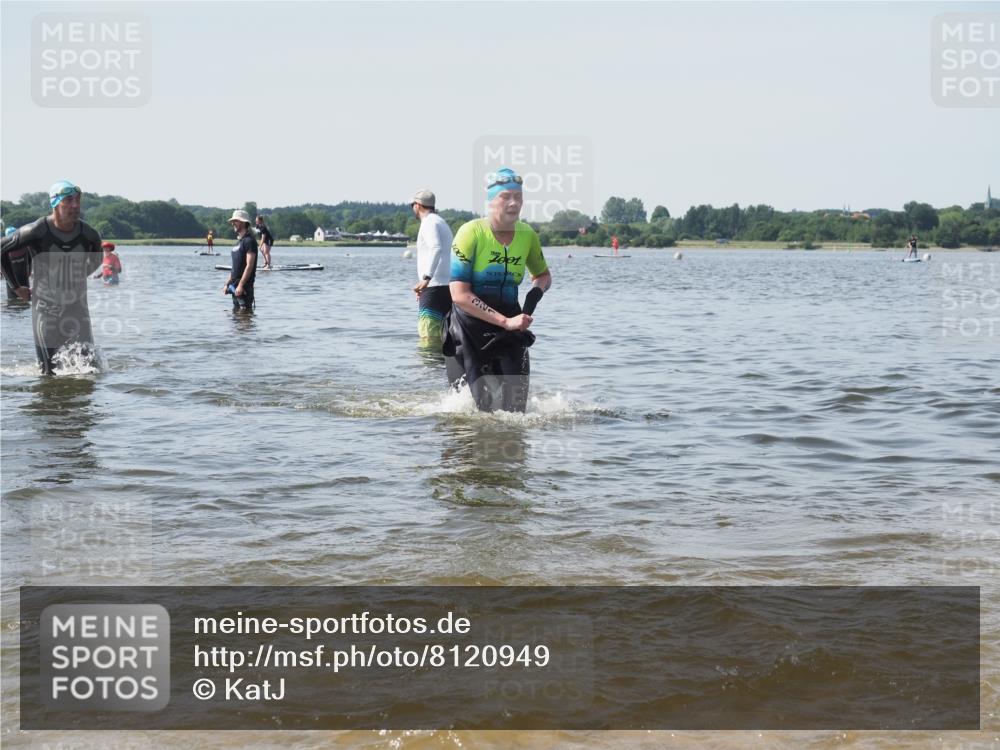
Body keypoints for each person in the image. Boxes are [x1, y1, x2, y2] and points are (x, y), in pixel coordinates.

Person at [444, 167, 552, 412]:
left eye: (519, 198)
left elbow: (543, 276)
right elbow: (459, 294)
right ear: (491, 201)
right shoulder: (470, 233)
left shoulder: (527, 235)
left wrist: (533, 297)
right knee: (472, 412)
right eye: (506, 197)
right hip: (468, 329)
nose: (514, 203)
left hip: (511, 327)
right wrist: (505, 321)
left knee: (516, 413)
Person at [0, 180, 102, 374]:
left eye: (78, 200)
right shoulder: (36, 231)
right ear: (55, 203)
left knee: (89, 370)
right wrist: (15, 287)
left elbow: (96, 261)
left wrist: (76, 277)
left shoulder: (89, 235)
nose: (75, 205)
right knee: (49, 373)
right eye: (69, 200)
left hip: (78, 310)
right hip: (46, 312)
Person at [409, 189, 454, 343]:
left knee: (428, 334)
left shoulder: (429, 222)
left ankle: (428, 366)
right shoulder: (440, 221)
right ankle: (441, 366)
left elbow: (436, 248)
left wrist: (426, 279)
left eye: (412, 205)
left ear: (418, 205)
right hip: (446, 285)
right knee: (444, 333)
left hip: (434, 285)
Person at [222, 209, 257, 311]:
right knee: (236, 322)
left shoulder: (249, 241)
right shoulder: (239, 242)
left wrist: (241, 285)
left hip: (244, 289)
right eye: (232, 221)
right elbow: (235, 268)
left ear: (243, 222)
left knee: (245, 322)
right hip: (234, 288)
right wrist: (227, 284)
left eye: (235, 221)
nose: (233, 223)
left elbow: (249, 265)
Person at [3, 226, 29, 301]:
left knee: (14, 300)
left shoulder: (24, 246)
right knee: (21, 299)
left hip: (14, 281)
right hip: (16, 280)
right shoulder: (24, 246)